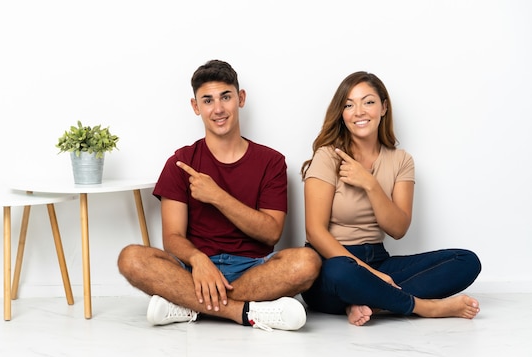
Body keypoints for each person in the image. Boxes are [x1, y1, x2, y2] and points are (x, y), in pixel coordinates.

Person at [118, 60, 321, 331]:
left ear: (241, 98)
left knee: (308, 262)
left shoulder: (271, 161)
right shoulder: (180, 162)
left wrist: (217, 196)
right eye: (208, 100)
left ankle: (188, 305)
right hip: (194, 270)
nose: (218, 109)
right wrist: (199, 260)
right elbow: (172, 238)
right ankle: (243, 312)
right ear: (195, 107)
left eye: (226, 97)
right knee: (130, 258)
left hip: (253, 270)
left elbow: (272, 233)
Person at [300, 71, 481, 326]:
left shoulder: (401, 161)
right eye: (349, 105)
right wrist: (370, 274)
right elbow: (314, 231)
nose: (359, 111)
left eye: (368, 102)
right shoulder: (328, 156)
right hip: (333, 264)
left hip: (378, 259)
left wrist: (370, 184)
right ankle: (422, 307)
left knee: (466, 261)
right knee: (341, 272)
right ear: (342, 113)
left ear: (384, 107)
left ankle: (371, 303)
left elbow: (398, 229)